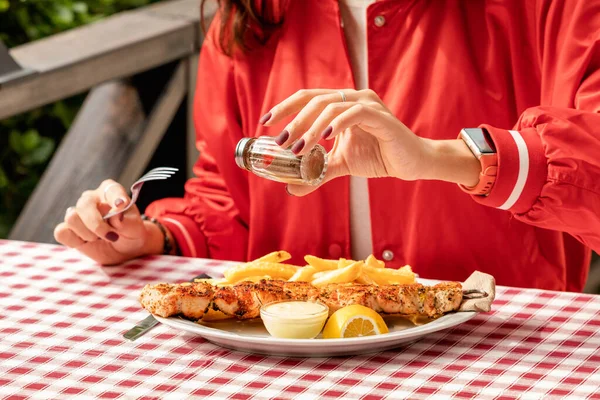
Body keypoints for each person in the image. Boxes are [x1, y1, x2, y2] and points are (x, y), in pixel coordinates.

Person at [54, 0, 600, 292]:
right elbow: (227, 198)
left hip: (495, 357)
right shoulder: (252, 12)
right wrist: (152, 239)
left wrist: (444, 159)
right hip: (294, 369)